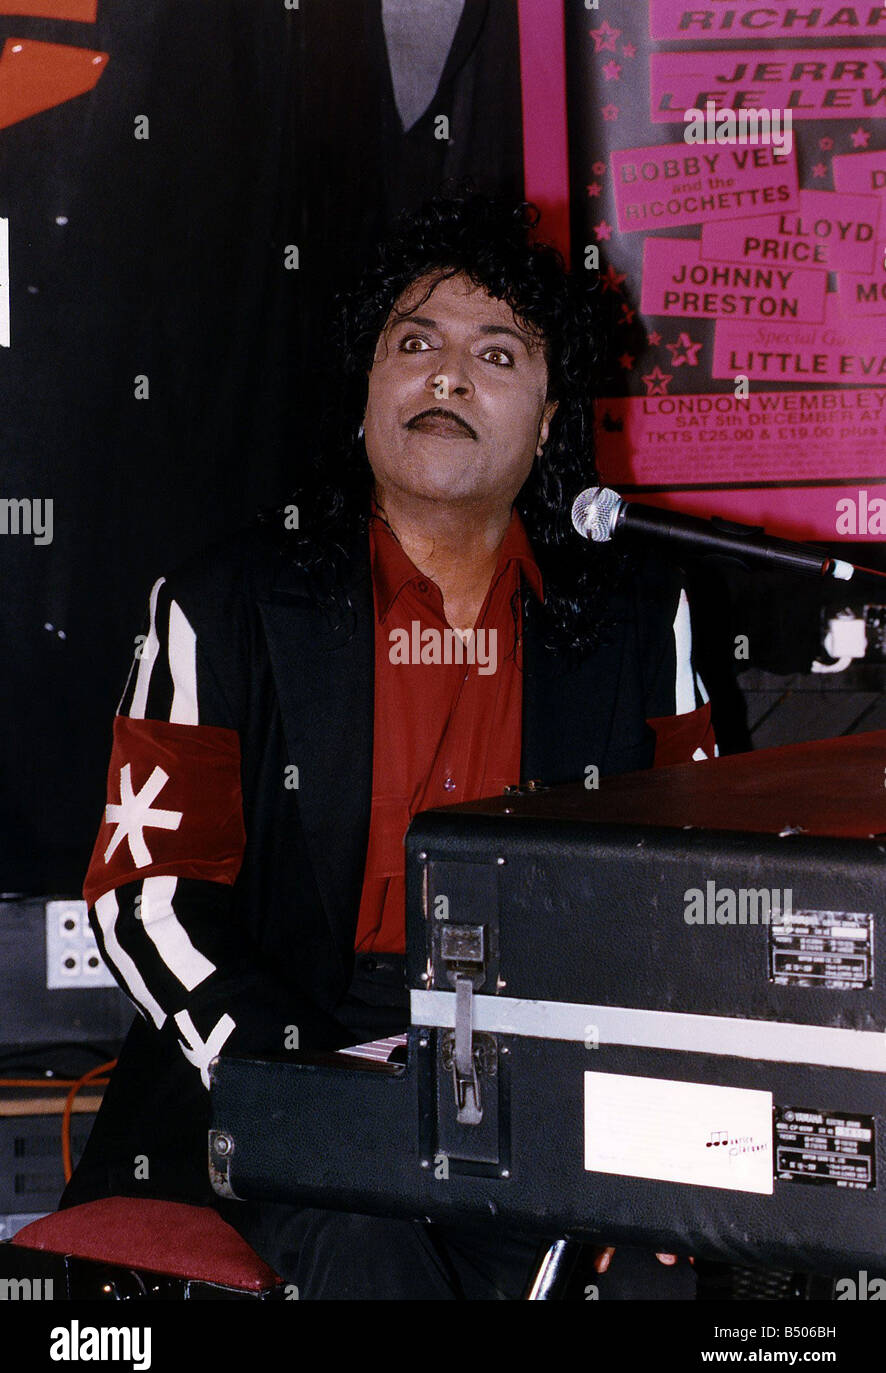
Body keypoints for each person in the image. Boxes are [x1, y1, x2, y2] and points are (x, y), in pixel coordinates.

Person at [61, 192, 714, 1298]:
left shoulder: (639, 623)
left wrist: (672, 1135)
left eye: (495, 352)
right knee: (371, 1253)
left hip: (538, 1072)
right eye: (414, 343)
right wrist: (299, 1081)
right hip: (276, 1052)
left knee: (652, 1281)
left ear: (550, 417)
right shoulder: (228, 605)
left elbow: (698, 903)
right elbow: (147, 896)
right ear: (367, 393)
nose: (447, 375)